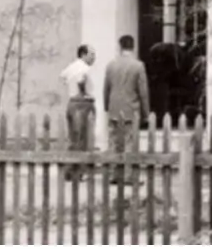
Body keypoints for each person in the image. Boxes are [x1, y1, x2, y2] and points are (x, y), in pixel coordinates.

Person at [103, 35, 150, 183]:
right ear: (133, 47)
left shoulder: (111, 65)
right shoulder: (138, 66)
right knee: (130, 143)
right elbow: (143, 92)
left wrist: (107, 106)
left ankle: (113, 174)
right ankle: (129, 175)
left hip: (114, 108)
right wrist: (146, 113)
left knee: (113, 142)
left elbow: (106, 88)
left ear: (120, 47)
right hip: (131, 109)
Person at [60, 44, 96, 180]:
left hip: (71, 102)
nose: (93, 58)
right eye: (91, 54)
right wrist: (83, 92)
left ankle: (69, 170)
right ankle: (79, 171)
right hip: (83, 103)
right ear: (83, 54)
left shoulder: (72, 66)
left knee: (73, 138)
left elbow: (63, 76)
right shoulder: (84, 68)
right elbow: (81, 80)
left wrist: (71, 88)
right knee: (83, 138)